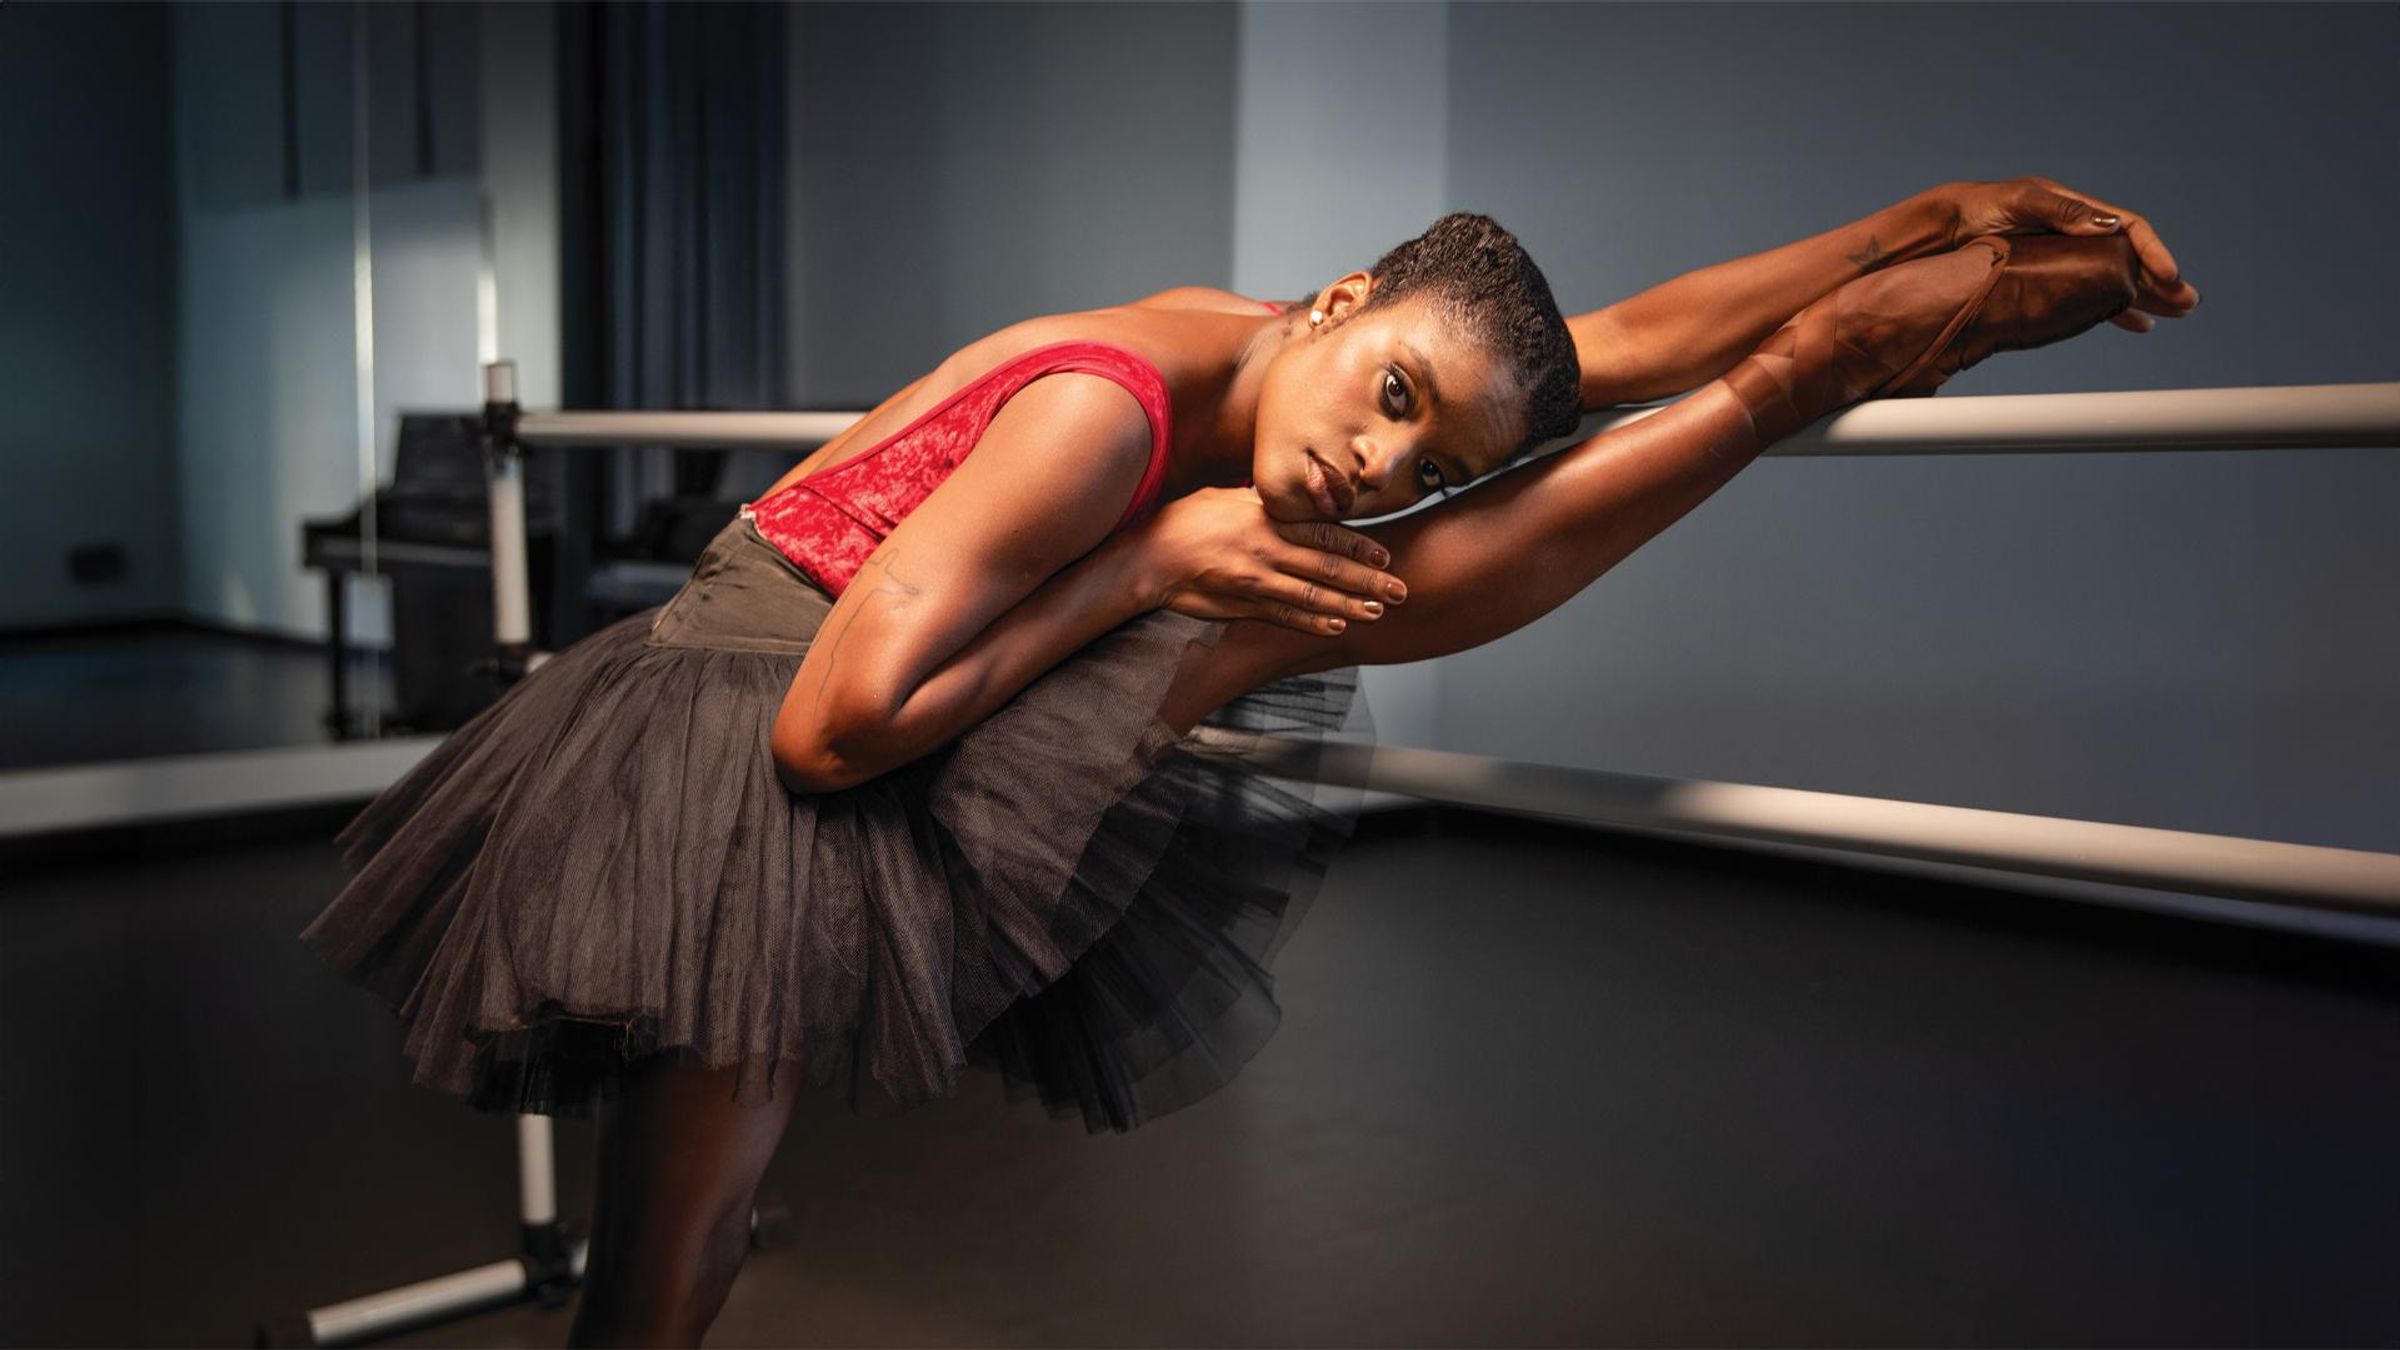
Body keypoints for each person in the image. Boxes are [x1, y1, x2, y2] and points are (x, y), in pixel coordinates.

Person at [303, 176, 2193, 1346]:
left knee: (690, 1230)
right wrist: (1141, 561)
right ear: (1341, 307)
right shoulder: (1107, 427)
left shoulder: (1277, 348)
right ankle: (1809, 381)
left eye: (1429, 448)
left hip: (835, 678)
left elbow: (1585, 349)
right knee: (664, 1259)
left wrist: (1909, 223)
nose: (1386, 453)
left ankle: (1827, 355)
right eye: (1391, 399)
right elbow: (831, 728)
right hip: (764, 720)